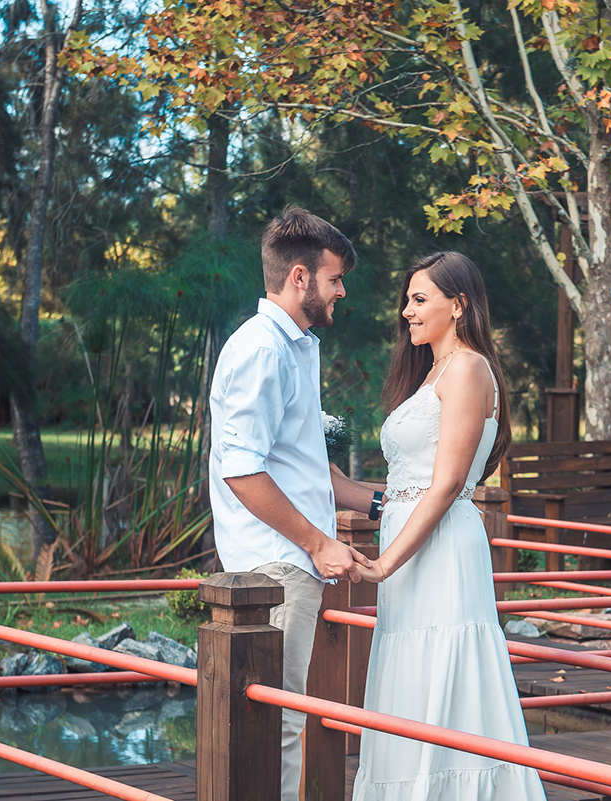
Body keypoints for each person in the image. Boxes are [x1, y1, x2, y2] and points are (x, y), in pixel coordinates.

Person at [332, 252, 547, 800]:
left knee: (444, 670)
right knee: (410, 677)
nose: (407, 311)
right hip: (411, 551)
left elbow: (448, 483)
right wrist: (336, 484)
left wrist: (383, 564)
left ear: (459, 305)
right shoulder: (431, 372)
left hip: (442, 550)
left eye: (419, 299)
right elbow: (407, 488)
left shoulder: (469, 368)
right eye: (407, 300)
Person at [208, 207, 371, 801]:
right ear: (300, 277)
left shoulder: (294, 345)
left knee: (283, 722)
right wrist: (318, 542)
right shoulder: (262, 349)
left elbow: (307, 468)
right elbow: (241, 470)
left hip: (289, 564)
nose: (341, 291)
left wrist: (385, 503)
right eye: (335, 278)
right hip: (275, 568)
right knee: (276, 727)